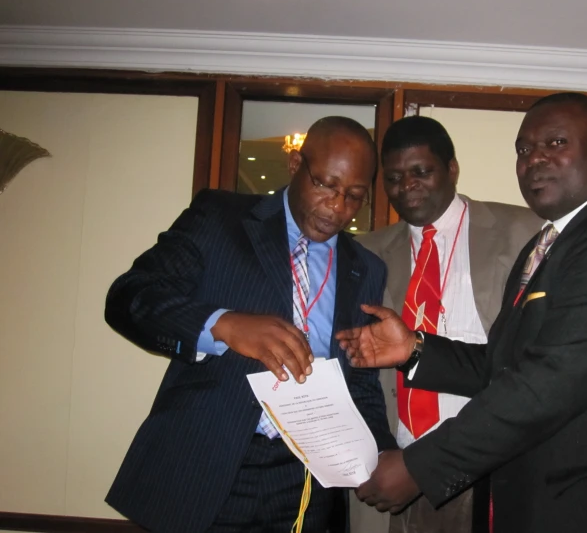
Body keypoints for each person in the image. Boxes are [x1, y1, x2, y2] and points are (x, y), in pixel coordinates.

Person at [337, 93, 587, 533]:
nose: (535, 158)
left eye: (556, 143)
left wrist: (420, 466)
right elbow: (503, 364)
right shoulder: (545, 246)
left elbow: (548, 382)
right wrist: (414, 349)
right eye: (524, 149)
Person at [104, 116, 397, 533]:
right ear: (296, 166)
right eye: (325, 185)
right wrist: (223, 324)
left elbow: (361, 380)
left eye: (354, 196)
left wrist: (380, 452)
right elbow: (129, 297)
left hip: (304, 481)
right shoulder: (220, 219)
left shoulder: (365, 268)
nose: (337, 207)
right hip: (206, 466)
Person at [351, 115, 541, 533]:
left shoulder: (523, 231)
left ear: (452, 169)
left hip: (486, 471)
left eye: (421, 171)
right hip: (391, 470)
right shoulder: (364, 253)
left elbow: (532, 366)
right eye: (395, 177)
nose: (407, 186)